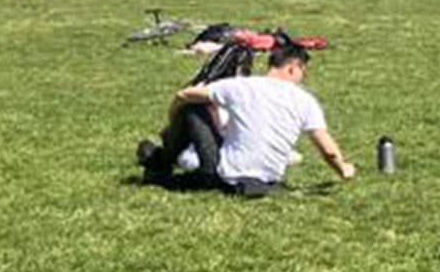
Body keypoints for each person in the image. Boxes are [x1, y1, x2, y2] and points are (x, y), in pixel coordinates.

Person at [136, 45, 355, 194]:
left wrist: (173, 124)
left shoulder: (240, 86)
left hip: (223, 175)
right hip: (267, 180)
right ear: (292, 68)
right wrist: (343, 168)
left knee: (192, 108)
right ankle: (159, 158)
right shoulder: (305, 100)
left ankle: (161, 159)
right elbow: (328, 150)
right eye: (303, 73)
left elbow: (183, 95)